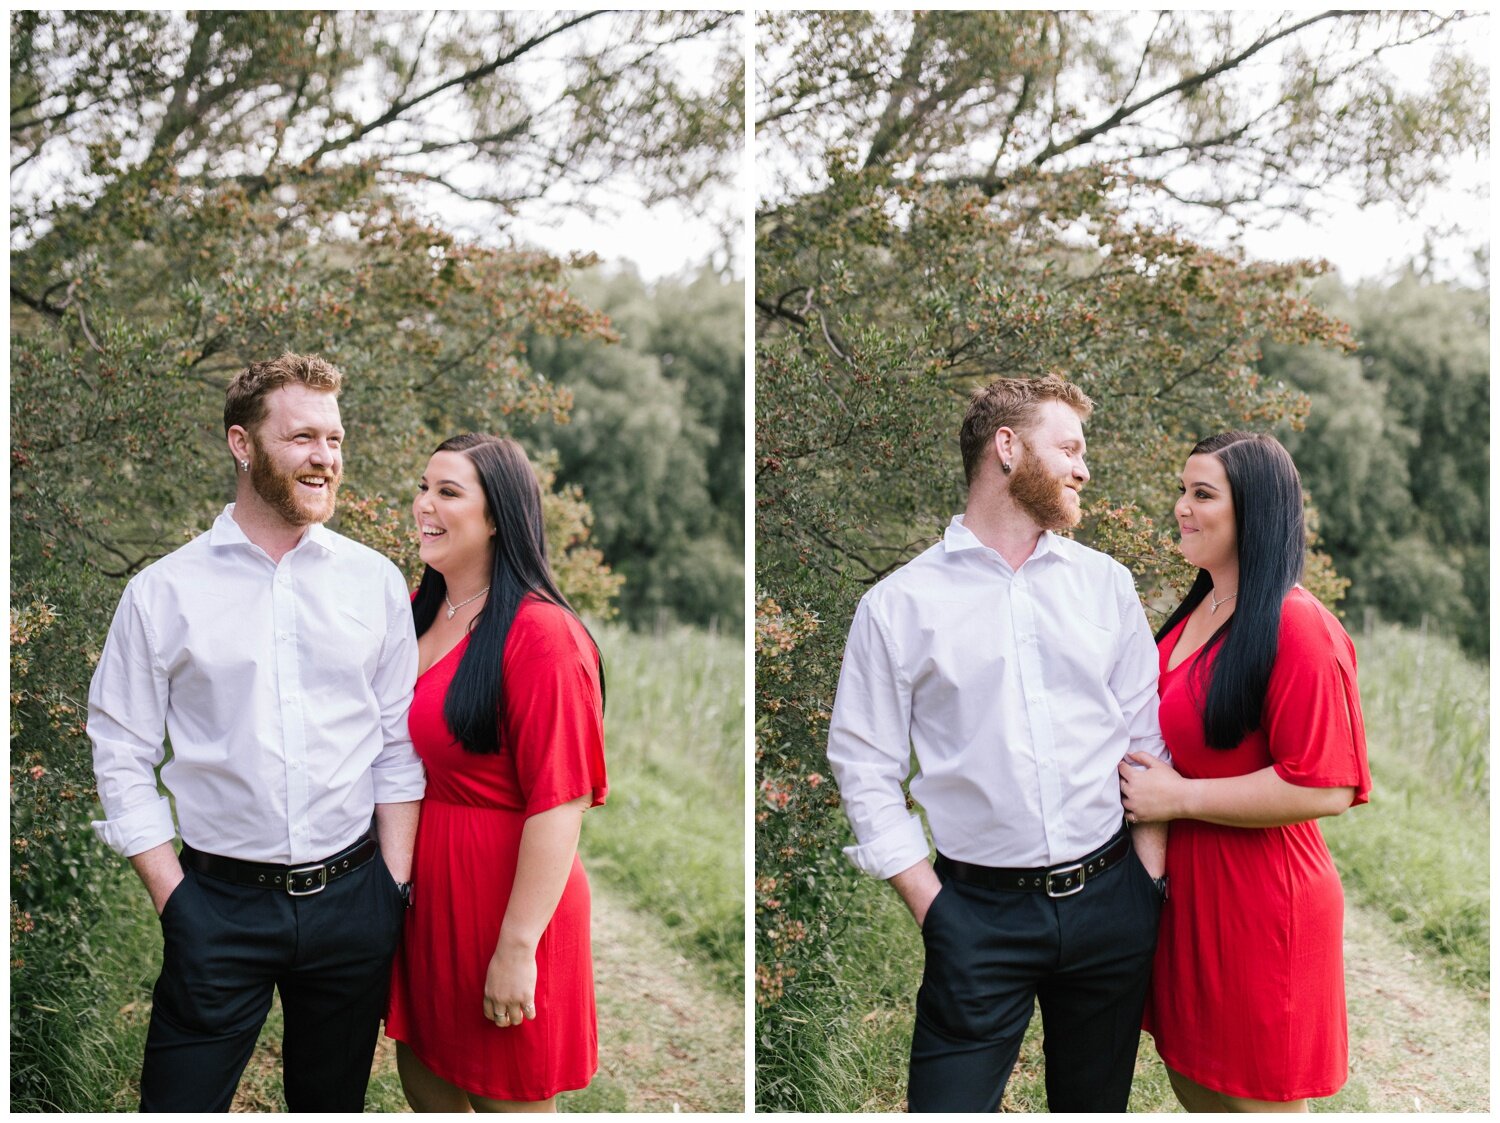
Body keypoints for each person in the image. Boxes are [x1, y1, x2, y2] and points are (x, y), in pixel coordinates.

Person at [87, 352, 425, 1112]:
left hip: (354, 900)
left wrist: (391, 887)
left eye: (335, 439)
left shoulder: (372, 582)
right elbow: (120, 749)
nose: (326, 458)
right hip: (217, 903)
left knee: (329, 1104)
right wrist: (174, 898)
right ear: (243, 445)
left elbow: (398, 743)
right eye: (303, 437)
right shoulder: (161, 593)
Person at [826, 374, 1169, 1113]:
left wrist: (1144, 885)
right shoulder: (898, 606)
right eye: (1068, 447)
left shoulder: (1106, 585)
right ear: (1006, 448)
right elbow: (864, 766)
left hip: (1113, 900)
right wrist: (933, 906)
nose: (1084, 468)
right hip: (974, 912)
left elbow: (1148, 739)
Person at [1119, 431, 1372, 1112]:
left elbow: (1326, 784)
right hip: (1191, 902)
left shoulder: (1299, 626)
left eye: (1203, 493)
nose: (1181, 506)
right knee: (1195, 1087)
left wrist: (1178, 796)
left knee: (1254, 1102)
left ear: (1254, 511)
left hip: (1264, 907)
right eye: (1182, 489)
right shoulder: (1197, 612)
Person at [386, 433, 607, 1113]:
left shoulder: (544, 635)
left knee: (510, 1100)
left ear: (498, 516)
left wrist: (517, 946)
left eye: (449, 491)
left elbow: (559, 802)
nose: (425, 504)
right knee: (427, 1086)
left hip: (507, 907)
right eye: (423, 486)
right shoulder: (419, 615)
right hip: (428, 907)